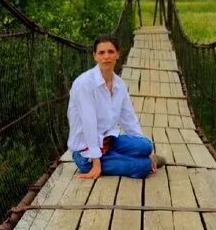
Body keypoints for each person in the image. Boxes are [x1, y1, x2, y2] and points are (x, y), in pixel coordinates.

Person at [68, 35, 160, 180]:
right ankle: (139, 162)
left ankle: (137, 158)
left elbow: (129, 119)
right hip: (86, 153)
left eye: (110, 52)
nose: (106, 57)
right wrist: (96, 163)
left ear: (118, 54)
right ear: (95, 56)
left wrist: (147, 152)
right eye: (101, 53)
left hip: (108, 141)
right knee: (143, 167)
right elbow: (88, 123)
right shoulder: (84, 84)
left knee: (146, 145)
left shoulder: (119, 84)